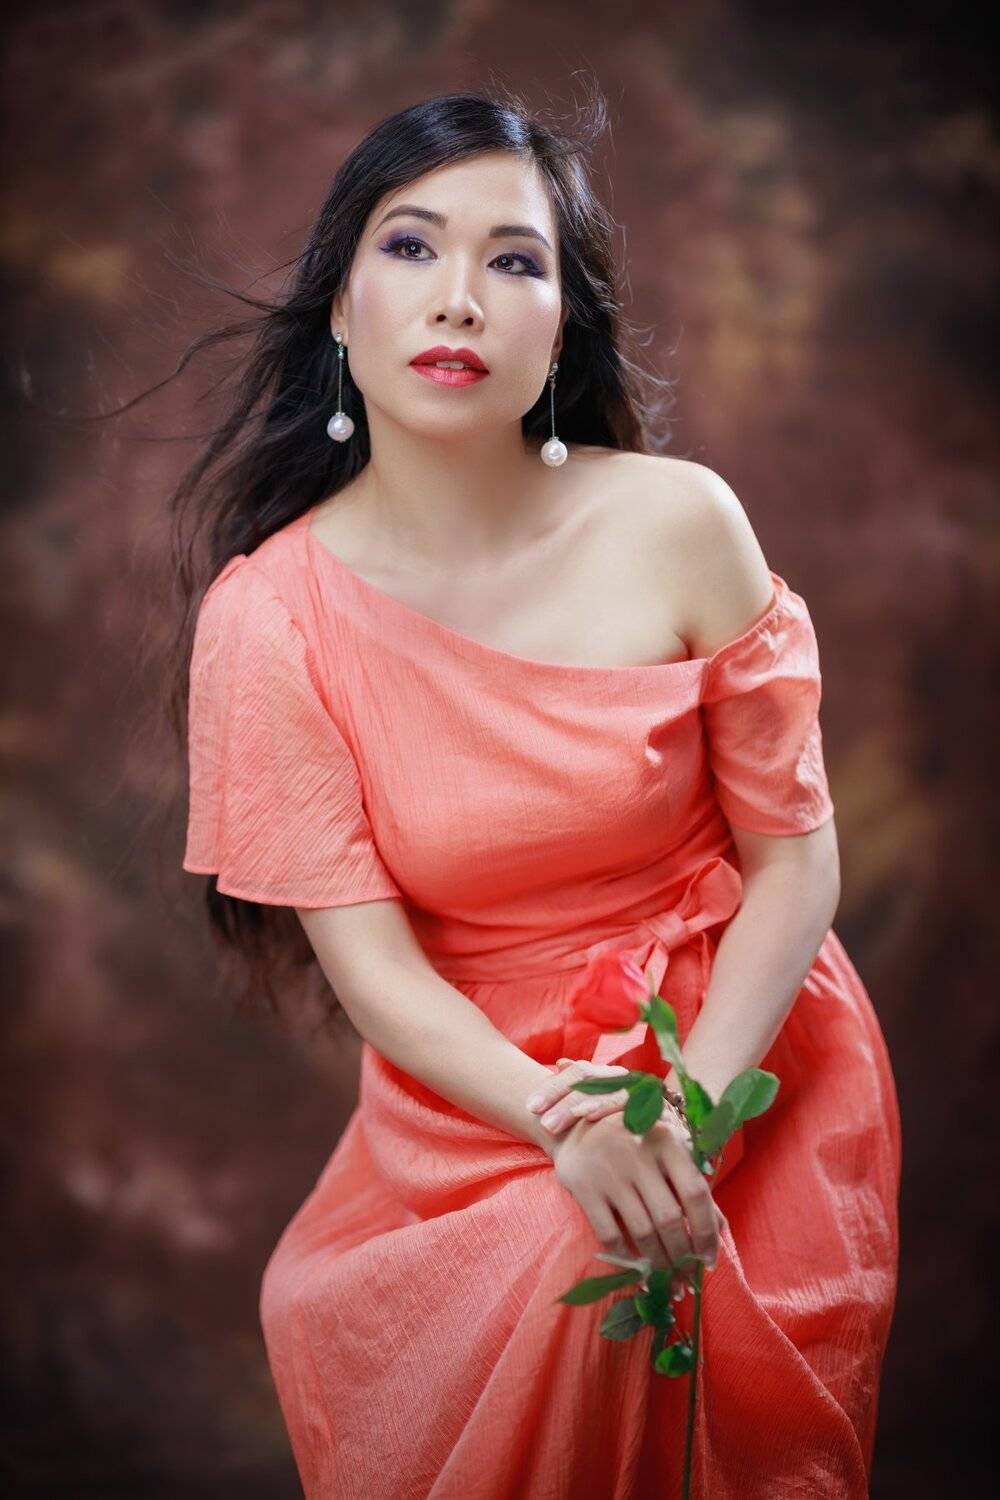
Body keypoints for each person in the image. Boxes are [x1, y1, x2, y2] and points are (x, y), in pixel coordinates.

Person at [178, 86, 901, 1499]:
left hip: (740, 1046)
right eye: (410, 247)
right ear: (340, 310)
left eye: (514, 261)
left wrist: (681, 1124)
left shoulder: (680, 521)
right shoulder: (271, 619)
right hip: (478, 1087)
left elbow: (796, 864)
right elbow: (378, 974)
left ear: (562, 327)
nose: (459, 296)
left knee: (633, 1291)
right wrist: (570, 1123)